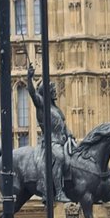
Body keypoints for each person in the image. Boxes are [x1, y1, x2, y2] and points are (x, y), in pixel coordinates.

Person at [26, 63, 74, 203]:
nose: (55, 91)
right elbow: (32, 94)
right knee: (59, 158)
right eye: (52, 89)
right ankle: (58, 192)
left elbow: (63, 126)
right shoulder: (42, 106)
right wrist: (29, 79)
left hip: (63, 141)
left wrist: (69, 134)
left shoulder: (56, 109)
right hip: (51, 142)